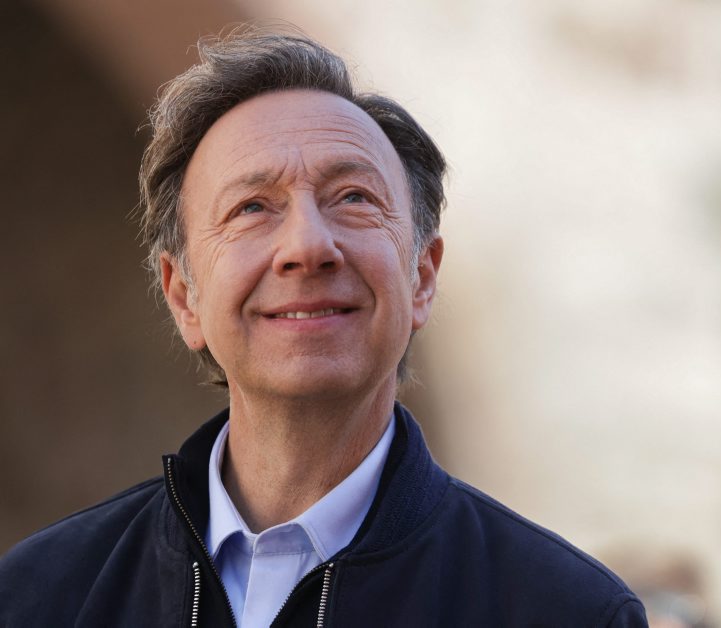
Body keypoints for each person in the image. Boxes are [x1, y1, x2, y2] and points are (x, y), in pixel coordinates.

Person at [0, 26, 647, 627]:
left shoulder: (567, 611)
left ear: (422, 278)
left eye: (353, 198)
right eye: (252, 207)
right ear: (183, 296)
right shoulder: (41, 595)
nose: (308, 246)